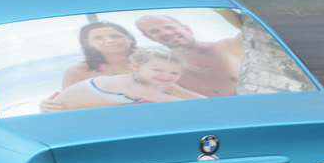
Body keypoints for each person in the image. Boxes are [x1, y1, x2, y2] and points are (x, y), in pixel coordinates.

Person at [46, 47, 206, 111]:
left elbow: (201, 100)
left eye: (174, 73)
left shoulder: (157, 82)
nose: (166, 76)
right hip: (58, 111)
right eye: (157, 70)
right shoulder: (128, 83)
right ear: (135, 66)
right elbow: (178, 104)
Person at [134, 13, 242, 97]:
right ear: (150, 38)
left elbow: (247, 30)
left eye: (169, 27)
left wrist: (221, 9)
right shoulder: (162, 68)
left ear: (188, 29)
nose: (166, 33)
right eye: (154, 31)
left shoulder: (226, 48)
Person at [59, 21, 136, 88]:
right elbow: (68, 99)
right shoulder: (78, 70)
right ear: (88, 43)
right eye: (99, 38)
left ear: (130, 39)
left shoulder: (143, 60)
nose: (110, 41)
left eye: (115, 36)